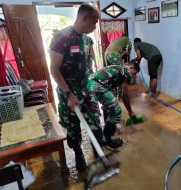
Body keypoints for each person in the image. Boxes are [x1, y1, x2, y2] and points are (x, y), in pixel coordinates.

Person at [49, 3, 102, 172]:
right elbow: (54, 69)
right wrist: (68, 94)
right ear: (84, 18)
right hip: (68, 92)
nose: (95, 27)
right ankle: (78, 153)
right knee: (72, 127)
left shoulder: (85, 39)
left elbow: (86, 64)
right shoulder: (61, 37)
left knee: (94, 120)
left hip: (86, 89)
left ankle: (98, 152)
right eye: (94, 22)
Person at [85, 61, 139, 148]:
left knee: (105, 109)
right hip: (95, 85)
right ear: (130, 67)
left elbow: (115, 90)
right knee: (116, 110)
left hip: (88, 84)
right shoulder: (126, 72)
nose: (133, 76)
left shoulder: (117, 69)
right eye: (134, 73)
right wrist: (130, 112)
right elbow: (125, 95)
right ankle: (107, 139)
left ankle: (102, 135)